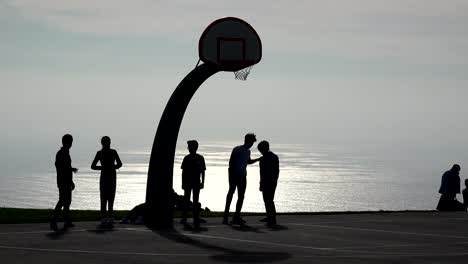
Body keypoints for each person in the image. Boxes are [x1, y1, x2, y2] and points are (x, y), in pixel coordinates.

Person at [223, 133, 259, 225]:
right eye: (251, 141)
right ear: (247, 140)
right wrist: (233, 175)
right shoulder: (237, 149)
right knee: (231, 193)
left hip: (243, 176)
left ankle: (236, 216)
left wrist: (258, 159)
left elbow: (248, 161)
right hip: (234, 175)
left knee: (241, 196)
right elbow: (231, 163)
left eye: (253, 142)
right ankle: (225, 216)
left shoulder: (248, 152)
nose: (252, 144)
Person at [91, 136, 122, 226]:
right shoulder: (100, 153)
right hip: (106, 176)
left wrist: (113, 167)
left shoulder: (113, 152)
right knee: (104, 198)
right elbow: (93, 166)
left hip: (111, 176)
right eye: (106, 142)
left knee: (110, 197)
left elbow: (120, 163)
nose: (108, 144)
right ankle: (104, 217)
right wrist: (104, 167)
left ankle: (109, 216)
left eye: (108, 142)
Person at [50, 134, 78, 231]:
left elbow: (64, 167)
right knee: (62, 200)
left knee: (67, 201)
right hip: (62, 180)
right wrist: (70, 169)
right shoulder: (61, 153)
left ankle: (66, 220)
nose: (70, 144)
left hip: (66, 180)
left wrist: (71, 180)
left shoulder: (65, 153)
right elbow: (61, 167)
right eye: (69, 142)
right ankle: (54, 221)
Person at [180, 140, 206, 229]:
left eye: (190, 147)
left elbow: (203, 171)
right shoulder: (186, 158)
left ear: (195, 148)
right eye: (188, 147)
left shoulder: (200, 158)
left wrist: (203, 182)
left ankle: (195, 217)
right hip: (187, 182)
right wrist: (183, 183)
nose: (189, 149)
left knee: (195, 200)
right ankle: (184, 217)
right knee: (186, 200)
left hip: (196, 182)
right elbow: (183, 172)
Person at [257, 141, 280, 227]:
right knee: (266, 200)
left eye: (261, 149)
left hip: (270, 182)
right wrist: (261, 183)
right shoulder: (263, 158)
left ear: (265, 148)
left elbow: (276, 171)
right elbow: (261, 173)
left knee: (269, 200)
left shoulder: (272, 157)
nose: (260, 151)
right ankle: (269, 216)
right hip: (266, 181)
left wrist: (273, 181)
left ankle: (272, 218)